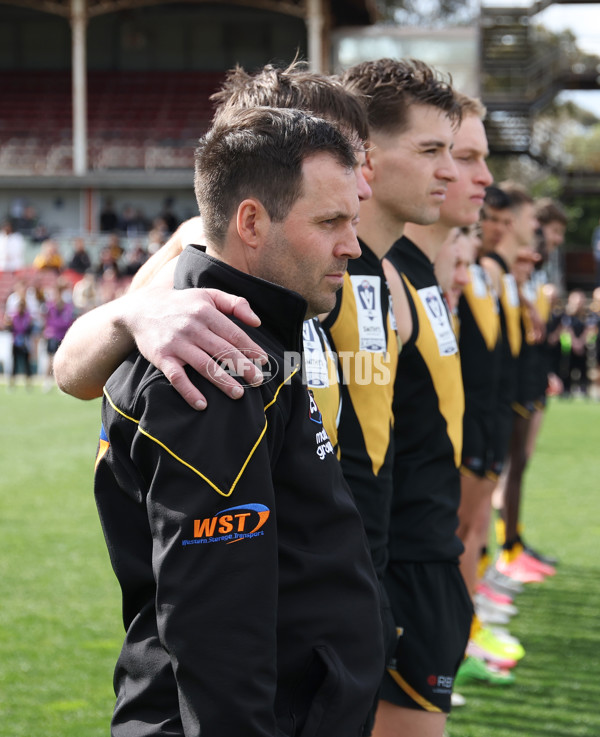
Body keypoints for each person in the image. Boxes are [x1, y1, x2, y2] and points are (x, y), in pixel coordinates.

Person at [95, 106, 384, 737]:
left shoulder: (260, 332)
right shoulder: (212, 367)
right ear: (251, 222)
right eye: (331, 222)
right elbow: (217, 634)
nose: (351, 245)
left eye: (354, 222)